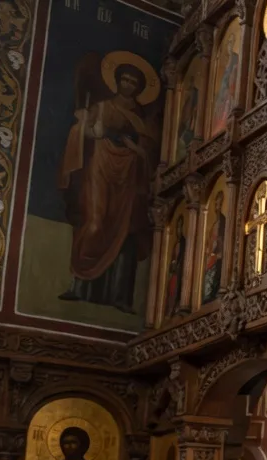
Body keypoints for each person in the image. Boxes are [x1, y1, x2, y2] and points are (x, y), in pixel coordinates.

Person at [58, 61, 156, 313]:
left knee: (124, 231)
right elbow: (81, 132)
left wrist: (138, 150)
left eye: (134, 82)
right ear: (117, 81)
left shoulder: (140, 118)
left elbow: (149, 152)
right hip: (100, 167)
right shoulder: (101, 107)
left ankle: (118, 296)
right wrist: (89, 130)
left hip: (127, 176)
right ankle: (79, 283)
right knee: (94, 223)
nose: (128, 85)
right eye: (124, 79)